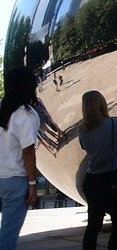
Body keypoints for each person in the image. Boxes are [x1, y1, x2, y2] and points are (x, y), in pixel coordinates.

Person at [79, 90, 117, 250]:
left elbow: (85, 147)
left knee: (94, 224)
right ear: (102, 104)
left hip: (92, 180)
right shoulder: (114, 123)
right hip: (112, 179)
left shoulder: (82, 130)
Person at [0, 66, 40, 250]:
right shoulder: (25, 114)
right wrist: (33, 184)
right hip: (15, 179)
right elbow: (28, 151)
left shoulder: (3, 108)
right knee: (8, 234)